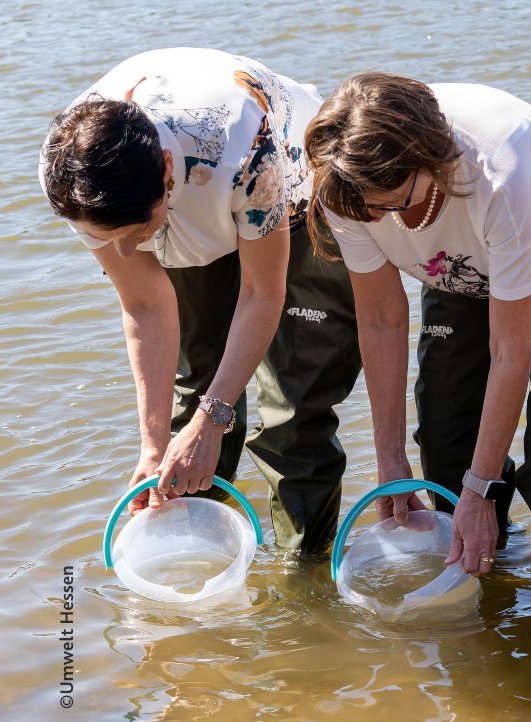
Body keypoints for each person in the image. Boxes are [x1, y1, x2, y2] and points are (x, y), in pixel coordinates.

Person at [305, 73, 531, 576]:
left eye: (394, 203)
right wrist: (391, 460)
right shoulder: (344, 180)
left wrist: (481, 486)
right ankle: (490, 567)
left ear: (432, 159)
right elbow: (380, 319)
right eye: (368, 209)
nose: (379, 218)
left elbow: (511, 352)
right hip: (463, 268)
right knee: (446, 444)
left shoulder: (503, 175)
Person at [40, 48, 361, 553]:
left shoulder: (246, 150)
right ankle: (200, 552)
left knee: (294, 412)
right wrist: (153, 448)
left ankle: (305, 574)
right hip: (190, 205)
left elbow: (263, 292)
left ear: (168, 171)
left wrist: (215, 419)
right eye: (107, 238)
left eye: (136, 232)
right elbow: (146, 306)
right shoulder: (73, 174)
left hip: (293, 193)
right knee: (192, 402)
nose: (126, 253)